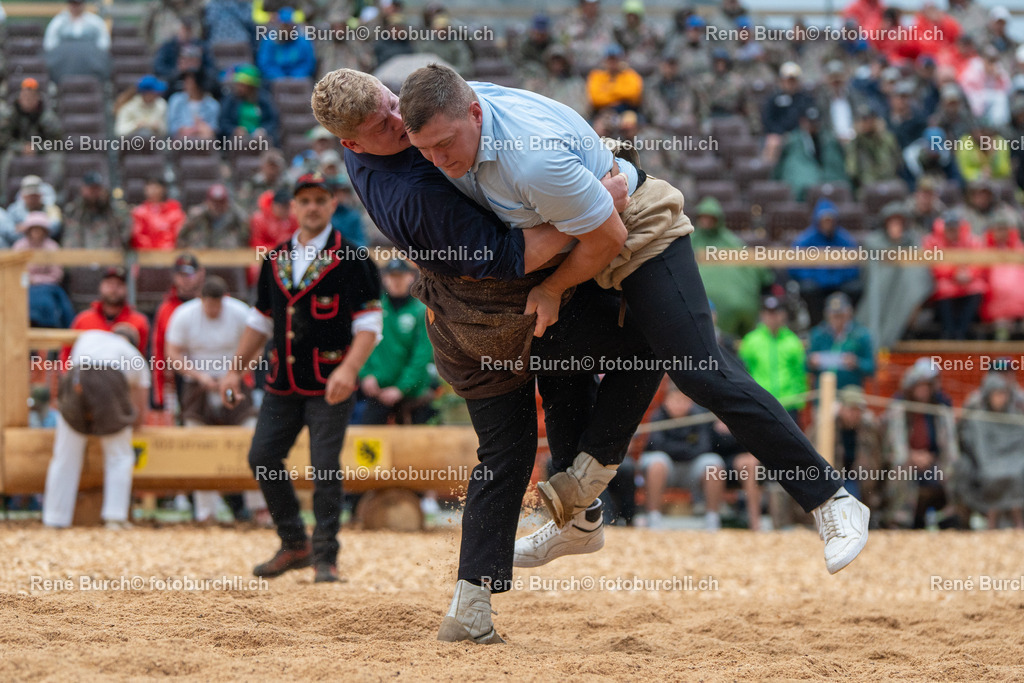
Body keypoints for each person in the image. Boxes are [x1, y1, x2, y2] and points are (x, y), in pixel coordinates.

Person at [397, 64, 869, 638]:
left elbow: (609, 237)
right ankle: (579, 516)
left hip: (636, 233)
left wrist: (552, 287)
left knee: (700, 371)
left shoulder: (530, 160)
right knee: (555, 349)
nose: (438, 159)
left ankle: (832, 499)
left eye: (446, 144)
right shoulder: (457, 112)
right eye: (425, 150)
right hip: (580, 236)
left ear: (474, 114)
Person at [312, 69, 665, 642]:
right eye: (383, 124)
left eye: (392, 102)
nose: (399, 120)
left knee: (509, 449)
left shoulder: (384, 143)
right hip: (490, 324)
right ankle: (581, 500)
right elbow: (512, 256)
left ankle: (471, 605)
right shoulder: (413, 194)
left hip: (475, 322)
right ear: (352, 143)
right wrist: (594, 204)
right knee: (645, 339)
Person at [219, 173, 382, 584]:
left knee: (324, 467)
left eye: (319, 200)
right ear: (293, 207)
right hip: (281, 380)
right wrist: (236, 369)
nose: (312, 207)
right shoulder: (274, 258)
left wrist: (349, 368)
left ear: (332, 205)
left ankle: (326, 555)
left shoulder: (353, 257)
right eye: (304, 200)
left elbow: (370, 322)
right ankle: (294, 542)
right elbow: (260, 320)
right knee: (262, 457)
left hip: (331, 381)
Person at [165, 275, 266, 524]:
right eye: (209, 305)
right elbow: (172, 353)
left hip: (233, 383)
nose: (213, 310)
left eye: (217, 305)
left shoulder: (240, 313)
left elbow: (258, 347)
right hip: (198, 386)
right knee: (198, 443)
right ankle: (205, 512)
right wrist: (199, 376)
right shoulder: (184, 315)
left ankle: (259, 507)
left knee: (250, 437)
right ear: (201, 299)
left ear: (225, 299)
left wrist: (236, 374)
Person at [43, 325, 149, 529]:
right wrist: (122, 423)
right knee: (119, 456)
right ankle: (115, 517)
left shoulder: (89, 336)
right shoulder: (136, 357)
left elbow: (72, 370)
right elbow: (140, 408)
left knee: (65, 456)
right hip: (110, 381)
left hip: (77, 378)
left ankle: (55, 518)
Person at [639, 383, 759, 531]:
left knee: (713, 464)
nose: (679, 405)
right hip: (667, 468)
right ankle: (654, 518)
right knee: (657, 462)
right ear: (666, 401)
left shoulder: (698, 416)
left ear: (690, 402)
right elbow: (657, 445)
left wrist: (676, 448)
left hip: (692, 467)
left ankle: (712, 519)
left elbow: (704, 447)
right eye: (675, 400)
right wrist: (687, 447)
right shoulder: (657, 416)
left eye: (683, 401)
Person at [357, 259, 435, 425]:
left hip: (413, 395)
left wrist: (401, 388)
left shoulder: (421, 311)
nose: (396, 281)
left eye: (400, 276)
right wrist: (365, 374)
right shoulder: (374, 308)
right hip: (377, 391)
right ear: (384, 278)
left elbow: (421, 356)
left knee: (420, 440)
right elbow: (360, 342)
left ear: (410, 277)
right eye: (392, 276)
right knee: (368, 439)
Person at [688, 196, 773, 338]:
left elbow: (756, 267)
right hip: (699, 300)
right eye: (703, 217)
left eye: (710, 218)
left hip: (733, 305)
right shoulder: (690, 241)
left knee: (737, 304)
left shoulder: (731, 241)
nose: (706, 222)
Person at [956, 374, 1024, 529]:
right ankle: (991, 521)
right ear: (988, 395)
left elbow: (1019, 444)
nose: (1001, 399)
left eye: (1004, 394)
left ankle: (1018, 521)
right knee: (991, 474)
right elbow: (978, 449)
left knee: (1017, 473)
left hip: (1013, 461)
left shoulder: (1015, 416)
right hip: (987, 462)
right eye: (997, 394)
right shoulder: (978, 419)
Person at [738, 296, 809, 424]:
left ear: (783, 315)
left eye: (776, 313)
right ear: (762, 315)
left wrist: (800, 402)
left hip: (788, 404)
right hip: (760, 403)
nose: (772, 317)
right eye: (769, 313)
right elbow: (743, 371)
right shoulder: (751, 341)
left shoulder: (792, 341)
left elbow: (799, 373)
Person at [152, 253, 205, 410]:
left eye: (190, 274)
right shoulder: (165, 309)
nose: (185, 279)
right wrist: (159, 395)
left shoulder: (210, 305)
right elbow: (158, 352)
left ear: (200, 274)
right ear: (174, 277)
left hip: (210, 372)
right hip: (176, 379)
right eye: (181, 275)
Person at [12, 212, 74, 329]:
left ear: (45, 231)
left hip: (48, 287)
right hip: (22, 286)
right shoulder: (19, 246)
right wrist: (26, 280)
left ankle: (49, 326)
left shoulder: (52, 247)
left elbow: (57, 274)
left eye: (39, 229)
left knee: (47, 302)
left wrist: (36, 280)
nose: (36, 232)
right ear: (29, 230)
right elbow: (14, 271)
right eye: (34, 229)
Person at [70, 267, 151, 356]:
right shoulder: (83, 320)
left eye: (119, 284)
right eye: (109, 284)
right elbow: (68, 355)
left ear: (126, 288)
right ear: (101, 286)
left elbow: (141, 357)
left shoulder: (139, 322)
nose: (114, 289)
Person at [808, 292, 876, 389]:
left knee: (851, 394)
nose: (837, 319)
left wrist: (856, 362)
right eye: (834, 315)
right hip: (823, 389)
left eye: (841, 315)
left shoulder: (861, 335)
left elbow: (871, 367)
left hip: (850, 389)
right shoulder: (818, 334)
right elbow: (805, 366)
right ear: (827, 315)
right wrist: (811, 362)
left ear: (849, 313)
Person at [61, 172, 131, 249]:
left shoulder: (113, 210)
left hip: (108, 253)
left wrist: (107, 201)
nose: (94, 192)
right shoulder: (73, 211)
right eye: (91, 188)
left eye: (97, 188)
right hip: (80, 253)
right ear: (83, 189)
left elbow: (125, 233)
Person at [218, 65, 280, 147]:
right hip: (237, 139)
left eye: (242, 85)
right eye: (238, 84)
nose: (239, 88)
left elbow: (273, 121)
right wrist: (234, 130)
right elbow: (223, 122)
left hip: (260, 138)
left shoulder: (265, 100)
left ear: (251, 86)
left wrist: (264, 130)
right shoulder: (230, 100)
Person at [177, 183, 249, 248]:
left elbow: (245, 237)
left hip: (227, 254)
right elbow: (181, 236)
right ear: (207, 202)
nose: (218, 206)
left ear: (227, 203)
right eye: (214, 202)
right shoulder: (197, 215)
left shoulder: (235, 215)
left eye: (221, 202)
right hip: (202, 253)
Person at [256, 8, 316, 82]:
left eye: (289, 25)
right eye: (284, 26)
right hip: (274, 81)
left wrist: (296, 77)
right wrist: (279, 77)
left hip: (299, 80)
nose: (286, 29)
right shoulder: (269, 41)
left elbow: (308, 63)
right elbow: (265, 63)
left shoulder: (303, 41)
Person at [130, 178, 186, 249]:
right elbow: (137, 235)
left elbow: (180, 233)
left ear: (163, 189)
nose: (153, 191)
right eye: (150, 187)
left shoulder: (174, 211)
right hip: (145, 252)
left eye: (156, 187)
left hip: (171, 251)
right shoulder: (139, 212)